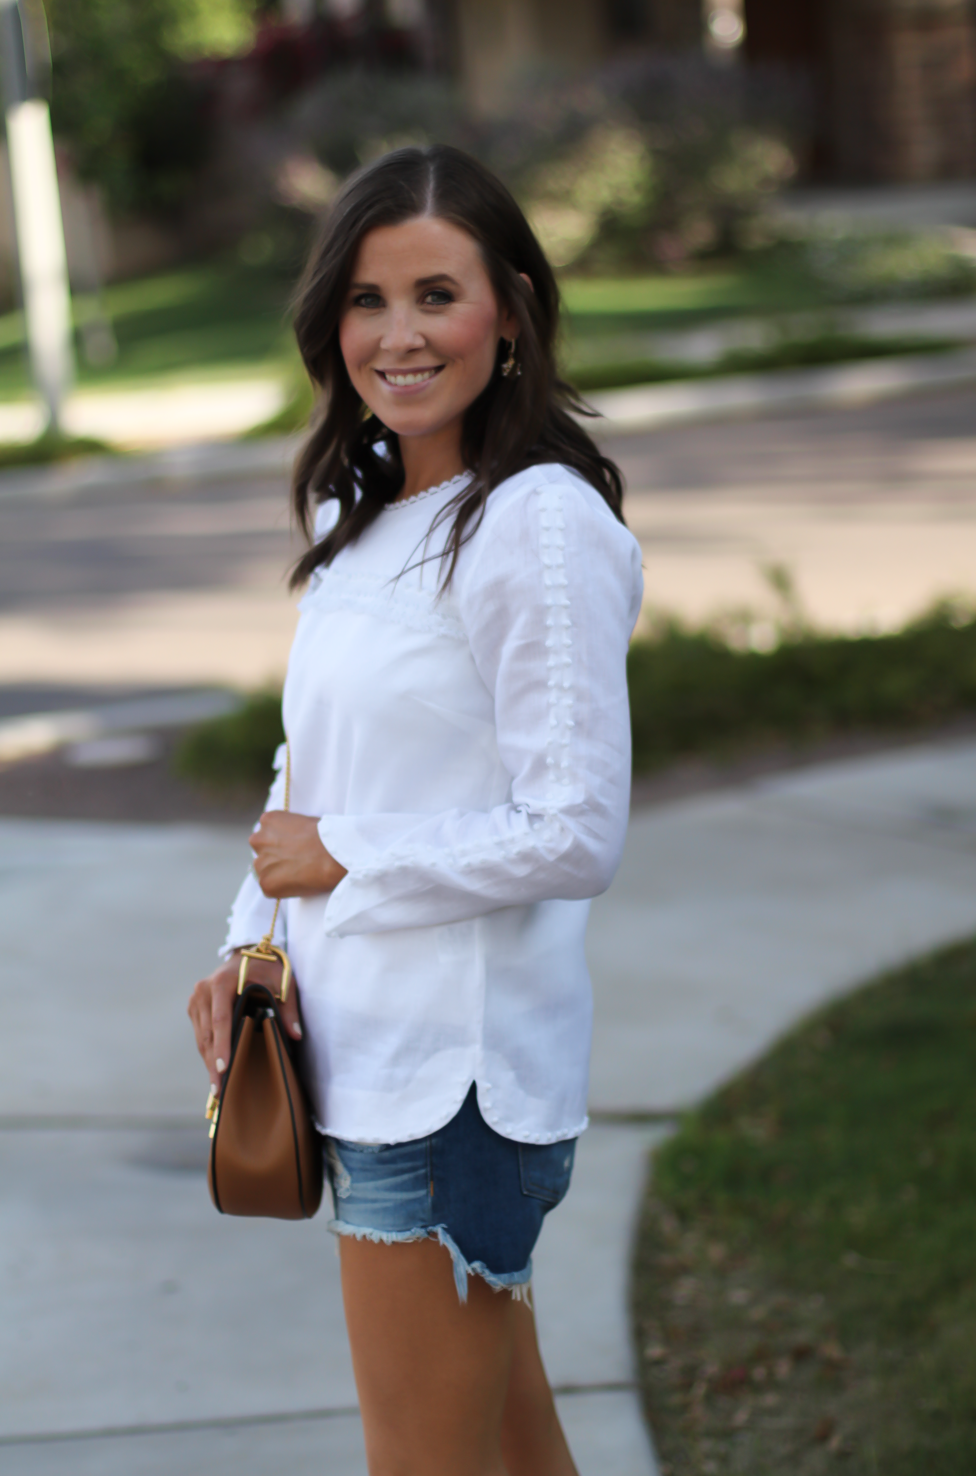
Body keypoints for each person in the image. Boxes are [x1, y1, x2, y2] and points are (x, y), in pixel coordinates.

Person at [188, 143, 643, 1476]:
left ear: (509, 310)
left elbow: (575, 830)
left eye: (436, 296)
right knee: (512, 1451)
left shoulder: (537, 525)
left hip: (452, 1087)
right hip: (363, 1053)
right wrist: (246, 942)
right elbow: (306, 772)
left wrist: (343, 859)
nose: (400, 335)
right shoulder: (368, 503)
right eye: (369, 300)